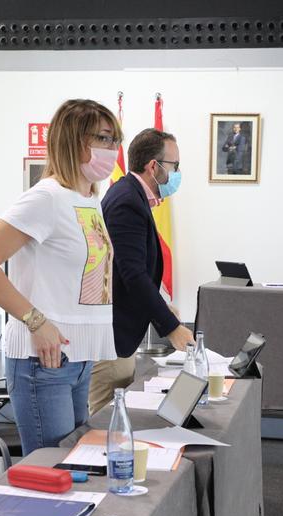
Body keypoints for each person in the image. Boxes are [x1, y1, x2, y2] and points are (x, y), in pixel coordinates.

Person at [0, 99, 122, 455]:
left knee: (75, 469)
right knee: (54, 471)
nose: (113, 149)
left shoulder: (89, 199)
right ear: (75, 139)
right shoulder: (45, 198)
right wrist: (36, 321)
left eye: (115, 140)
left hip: (78, 358)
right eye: (105, 138)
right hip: (43, 361)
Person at [88, 128, 196, 415]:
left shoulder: (131, 194)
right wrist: (171, 328)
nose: (177, 174)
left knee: (113, 415)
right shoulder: (127, 201)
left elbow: (136, 264)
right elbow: (132, 273)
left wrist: (161, 304)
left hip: (119, 331)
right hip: (112, 334)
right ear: (153, 166)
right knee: (103, 419)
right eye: (175, 166)